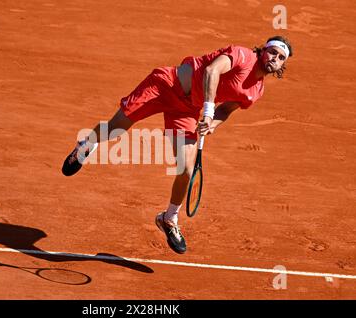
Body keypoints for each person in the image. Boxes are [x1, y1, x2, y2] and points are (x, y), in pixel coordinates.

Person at [62, 36, 293, 254]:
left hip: (187, 110)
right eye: (273, 52)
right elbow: (212, 71)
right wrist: (209, 110)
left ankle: (169, 218)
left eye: (281, 57)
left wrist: (212, 123)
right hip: (164, 86)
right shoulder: (242, 55)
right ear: (263, 50)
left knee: (185, 170)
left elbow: (227, 109)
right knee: (116, 128)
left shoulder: (256, 91)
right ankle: (87, 144)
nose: (275, 58)